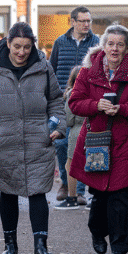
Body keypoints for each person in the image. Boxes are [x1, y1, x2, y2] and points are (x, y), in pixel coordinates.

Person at [0, 22, 65, 254]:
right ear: (8, 43)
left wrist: (55, 127)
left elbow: (56, 100)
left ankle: (41, 249)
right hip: (3, 141)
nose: (22, 52)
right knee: (8, 191)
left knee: (37, 192)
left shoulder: (43, 68)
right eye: (17, 46)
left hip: (38, 140)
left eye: (26, 47)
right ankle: (10, 245)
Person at [69, 24, 128, 254]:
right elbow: (74, 103)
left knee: (121, 199)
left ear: (127, 48)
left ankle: (119, 247)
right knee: (99, 198)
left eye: (120, 44)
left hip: (126, 146)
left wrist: (125, 108)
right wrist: (96, 105)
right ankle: (98, 233)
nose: (114, 48)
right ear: (103, 45)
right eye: (110, 43)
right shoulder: (88, 73)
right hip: (96, 143)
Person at [50, 6, 99, 204]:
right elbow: (51, 70)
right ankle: (65, 182)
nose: (86, 24)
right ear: (72, 22)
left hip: (87, 101)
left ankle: (78, 191)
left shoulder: (97, 43)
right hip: (63, 102)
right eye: (82, 21)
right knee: (61, 144)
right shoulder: (60, 43)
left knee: (81, 144)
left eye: (89, 21)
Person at [54, 66, 85, 210]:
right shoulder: (93, 92)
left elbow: (68, 119)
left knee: (71, 165)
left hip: (76, 132)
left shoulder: (72, 93)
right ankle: (84, 194)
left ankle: (72, 197)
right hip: (91, 131)